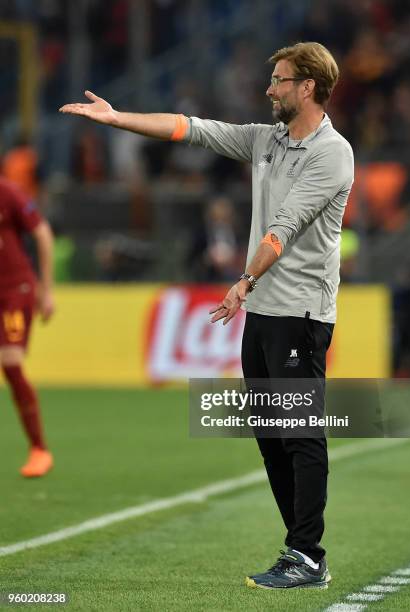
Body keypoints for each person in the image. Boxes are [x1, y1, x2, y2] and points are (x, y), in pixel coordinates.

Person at [60, 41, 354, 589]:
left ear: (307, 88)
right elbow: (190, 127)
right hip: (263, 311)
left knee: (301, 434)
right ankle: (302, 553)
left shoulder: (332, 153)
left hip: (301, 312)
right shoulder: (267, 140)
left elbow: (282, 228)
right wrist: (117, 117)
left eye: (280, 80)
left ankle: (307, 552)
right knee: (271, 434)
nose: (269, 89)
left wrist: (243, 279)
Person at [0, 177, 55, 477]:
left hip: (14, 290)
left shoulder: (7, 192)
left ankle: (39, 449)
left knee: (10, 362)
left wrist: (46, 290)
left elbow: (43, 233)